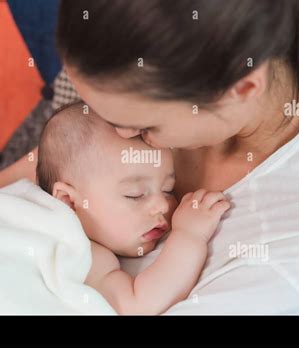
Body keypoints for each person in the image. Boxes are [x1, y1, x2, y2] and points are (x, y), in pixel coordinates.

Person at [0, 0, 299, 314]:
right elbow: (15, 188)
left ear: (241, 88)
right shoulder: (135, 66)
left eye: (143, 128)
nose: (118, 134)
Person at [36, 102, 230, 314]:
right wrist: (189, 235)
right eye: (135, 195)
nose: (162, 205)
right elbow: (138, 306)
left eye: (168, 189)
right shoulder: (80, 252)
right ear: (68, 201)